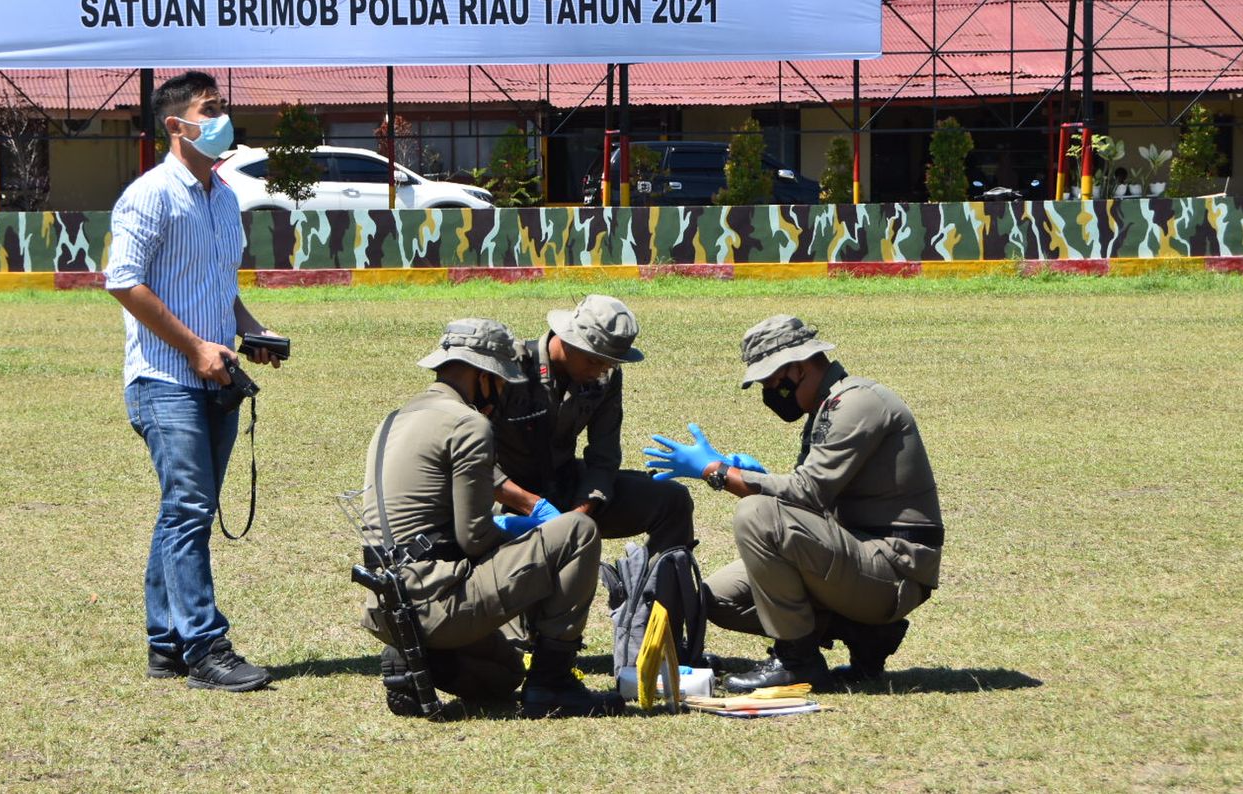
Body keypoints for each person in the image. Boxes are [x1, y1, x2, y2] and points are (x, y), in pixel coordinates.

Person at [645, 315, 943, 692]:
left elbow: (807, 494)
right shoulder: (826, 407)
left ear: (798, 368)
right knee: (718, 597)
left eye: (771, 382)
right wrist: (758, 475)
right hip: (857, 555)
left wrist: (718, 472)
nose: (770, 394)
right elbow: (814, 504)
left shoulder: (857, 403)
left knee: (756, 514)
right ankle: (866, 633)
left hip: (893, 567)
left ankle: (797, 661)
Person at [106, 70, 283, 692]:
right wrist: (195, 348)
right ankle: (206, 648)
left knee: (187, 509)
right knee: (188, 506)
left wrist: (248, 330)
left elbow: (219, 285)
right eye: (211, 109)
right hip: (163, 378)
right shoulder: (149, 195)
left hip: (217, 374)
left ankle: (164, 643)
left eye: (222, 106)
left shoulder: (224, 194)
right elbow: (123, 281)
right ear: (177, 124)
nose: (223, 118)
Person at [359, 318, 623, 718]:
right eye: (500, 380)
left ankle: (421, 658)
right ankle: (553, 683)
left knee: (504, 676)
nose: (502, 391)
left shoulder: (394, 418)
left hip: (388, 601)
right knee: (579, 531)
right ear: (481, 375)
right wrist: (530, 537)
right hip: (436, 596)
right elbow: (474, 538)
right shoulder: (468, 423)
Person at [491, 295, 694, 556]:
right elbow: (471, 464)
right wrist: (534, 507)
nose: (601, 371)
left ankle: (658, 593)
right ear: (567, 339)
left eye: (610, 362)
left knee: (672, 500)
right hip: (508, 499)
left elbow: (604, 457)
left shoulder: (606, 375)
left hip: (568, 488)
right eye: (594, 360)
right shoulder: (509, 370)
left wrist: (580, 515)